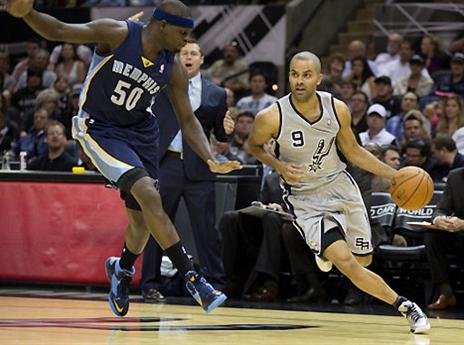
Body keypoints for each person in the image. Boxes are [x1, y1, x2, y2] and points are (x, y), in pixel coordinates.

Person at [3, 0, 240, 317]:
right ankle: (194, 279)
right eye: (182, 34)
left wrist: (209, 158)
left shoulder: (172, 69)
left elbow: (188, 120)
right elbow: (60, 30)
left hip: (141, 135)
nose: (186, 43)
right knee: (149, 195)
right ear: (162, 25)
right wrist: (28, 14)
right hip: (100, 129)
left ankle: (122, 269)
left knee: (141, 222)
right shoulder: (117, 33)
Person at [247, 51, 430, 334]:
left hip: (341, 186)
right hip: (305, 198)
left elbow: (354, 151)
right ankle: (407, 307)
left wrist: (394, 175)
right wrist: (279, 166)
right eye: (295, 74)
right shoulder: (271, 116)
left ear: (319, 79)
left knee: (363, 260)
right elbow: (254, 146)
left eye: (307, 75)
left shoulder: (337, 109)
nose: (299, 80)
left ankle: (327, 253)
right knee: (348, 264)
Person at [141, 38, 234, 302]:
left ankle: (215, 281)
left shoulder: (216, 93)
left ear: (202, 60)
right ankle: (149, 283)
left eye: (194, 53)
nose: (189, 56)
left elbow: (221, 136)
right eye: (184, 52)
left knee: (206, 228)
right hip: (166, 162)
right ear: (177, 58)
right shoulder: (160, 85)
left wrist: (227, 132)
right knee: (157, 224)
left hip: (199, 167)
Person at [425, 167, 464, 310]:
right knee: (433, 235)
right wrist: (438, 219)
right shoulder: (455, 176)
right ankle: (446, 293)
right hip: (460, 236)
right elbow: (441, 208)